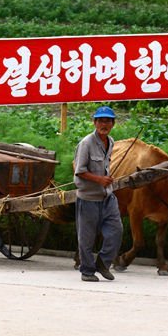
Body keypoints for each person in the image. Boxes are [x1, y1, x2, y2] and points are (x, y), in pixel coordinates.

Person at [73, 106, 123, 282]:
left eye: (108, 121)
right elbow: (79, 171)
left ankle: (103, 263)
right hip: (88, 198)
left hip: (107, 196)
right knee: (86, 238)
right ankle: (87, 271)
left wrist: (107, 180)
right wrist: (99, 179)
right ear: (94, 123)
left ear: (113, 124)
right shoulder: (86, 143)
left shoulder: (110, 141)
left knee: (116, 231)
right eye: (101, 120)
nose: (104, 124)